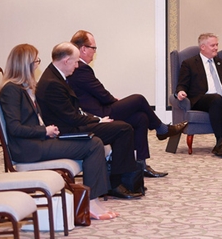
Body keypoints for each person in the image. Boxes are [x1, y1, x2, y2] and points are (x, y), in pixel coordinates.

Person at [0, 44, 118, 219]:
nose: (37, 65)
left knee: (92, 140)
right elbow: (14, 128)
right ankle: (90, 203)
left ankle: (93, 200)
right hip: (29, 149)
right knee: (93, 145)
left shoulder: (22, 87)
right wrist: (44, 131)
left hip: (38, 142)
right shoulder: (11, 90)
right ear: (25, 64)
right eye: (35, 61)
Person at [68, 30, 187, 178]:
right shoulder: (80, 68)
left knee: (141, 117)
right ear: (83, 49)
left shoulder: (80, 68)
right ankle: (162, 129)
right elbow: (100, 92)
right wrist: (113, 100)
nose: (94, 52)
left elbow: (95, 92)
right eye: (93, 48)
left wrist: (112, 100)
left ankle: (141, 164)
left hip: (100, 108)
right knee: (138, 99)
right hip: (98, 114)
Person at [36, 42, 143, 199]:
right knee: (123, 129)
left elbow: (73, 112)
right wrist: (97, 121)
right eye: (76, 61)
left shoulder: (55, 76)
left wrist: (97, 119)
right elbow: (71, 118)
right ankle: (116, 183)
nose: (77, 66)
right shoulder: (53, 83)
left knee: (123, 127)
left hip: (71, 125)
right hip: (68, 131)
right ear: (66, 61)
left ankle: (118, 181)